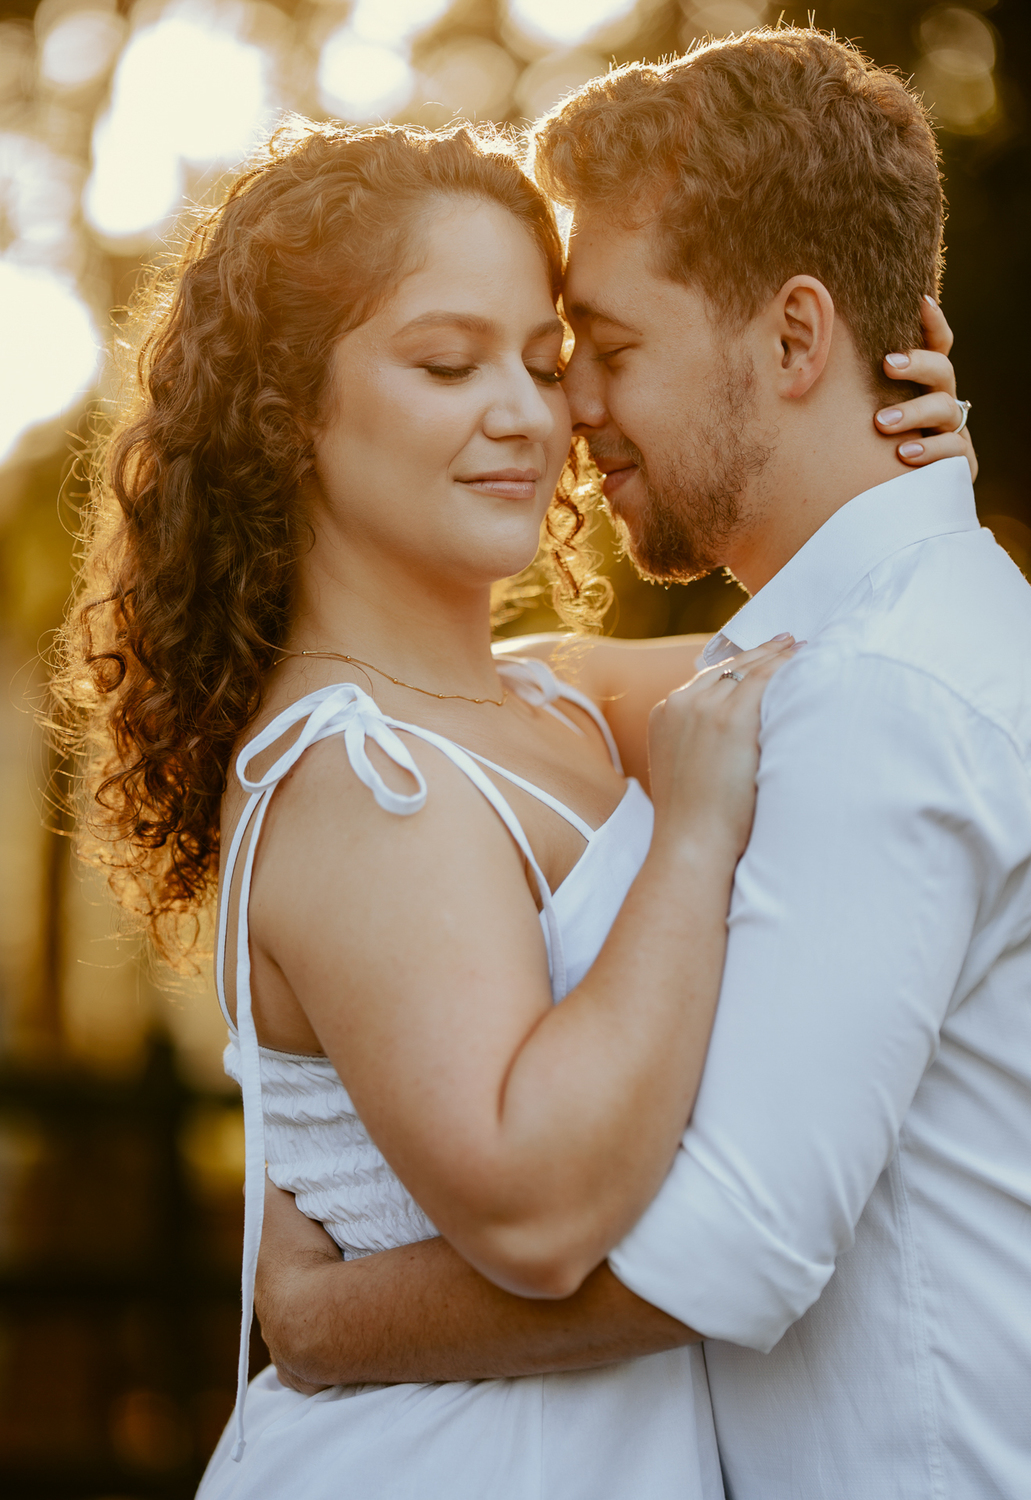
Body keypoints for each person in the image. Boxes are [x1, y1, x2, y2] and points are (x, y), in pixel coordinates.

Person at [255, 26, 1031, 1500]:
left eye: (608, 351)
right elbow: (523, 696)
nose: (571, 411)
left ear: (797, 337)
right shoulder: (873, 647)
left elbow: (733, 1254)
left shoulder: (887, 692)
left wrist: (323, 1320)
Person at [51, 100, 971, 1499]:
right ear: (288, 407)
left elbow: (868, 667)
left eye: (546, 364)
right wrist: (696, 843)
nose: (527, 416)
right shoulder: (360, 783)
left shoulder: (548, 698)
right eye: (445, 362)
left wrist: (906, 474)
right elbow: (538, 1212)